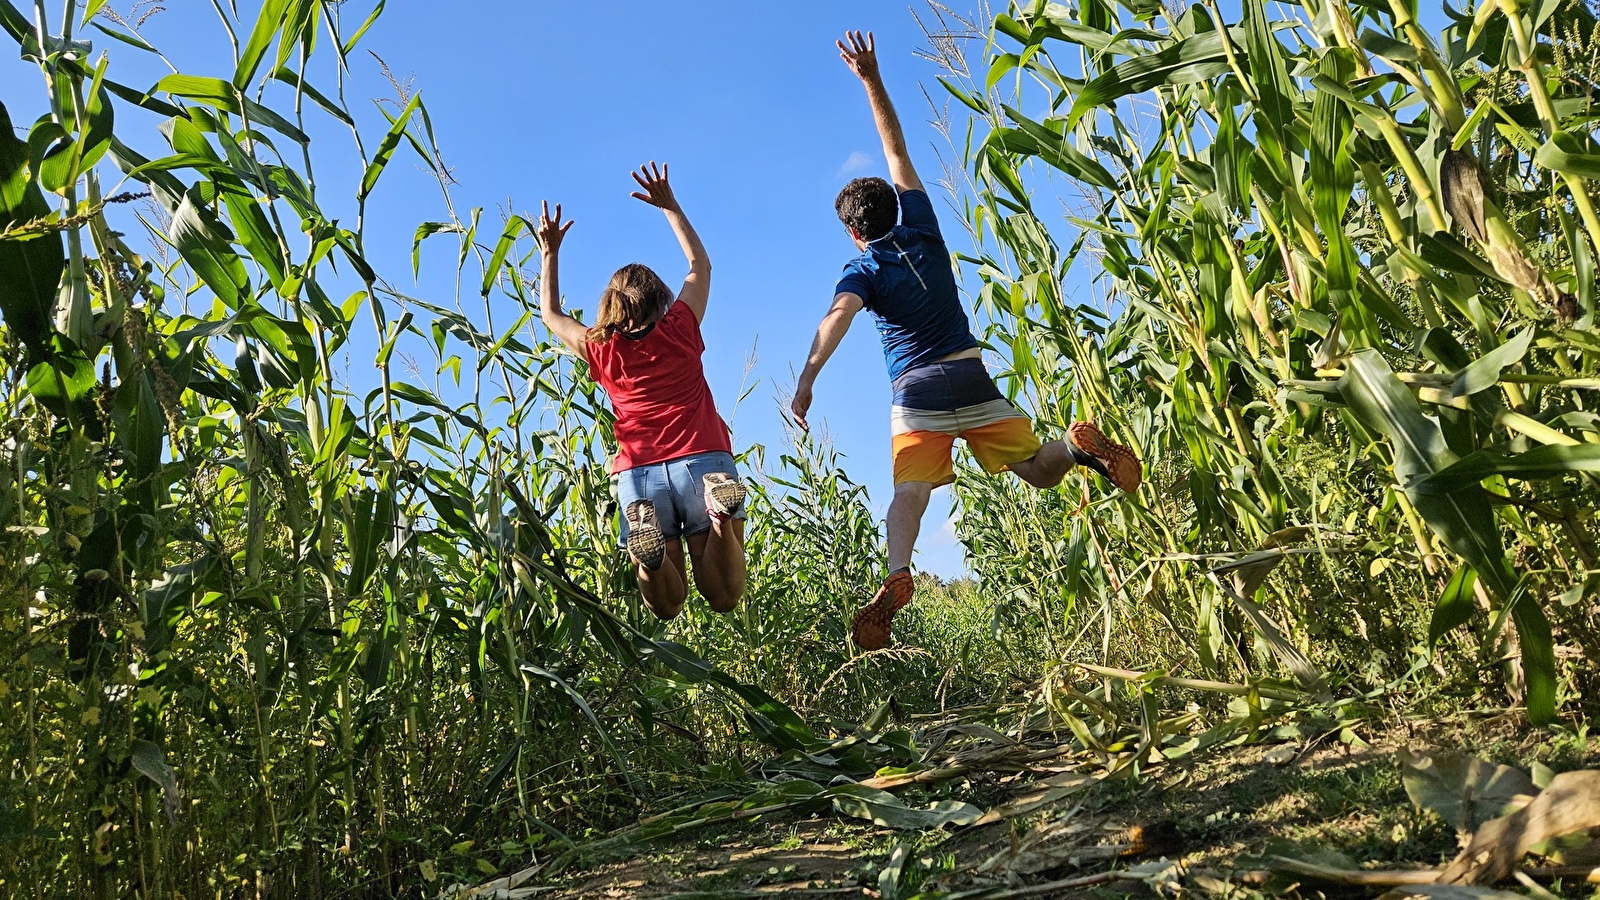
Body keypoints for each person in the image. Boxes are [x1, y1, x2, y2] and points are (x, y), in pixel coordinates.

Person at [791, 32, 1143, 651]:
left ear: (853, 233)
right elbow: (895, 147)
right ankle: (1077, 447)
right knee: (1038, 470)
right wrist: (872, 80)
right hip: (969, 374)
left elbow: (838, 317)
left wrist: (807, 378)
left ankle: (898, 572)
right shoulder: (923, 227)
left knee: (910, 491)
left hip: (917, 391)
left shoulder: (863, 271)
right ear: (895, 211)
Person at [538, 163, 747, 621]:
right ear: (660, 299)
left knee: (667, 606)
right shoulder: (681, 328)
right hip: (704, 460)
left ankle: (648, 552)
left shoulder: (601, 350)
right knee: (724, 596)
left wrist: (550, 252)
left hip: (639, 475)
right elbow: (700, 265)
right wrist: (669, 205)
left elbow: (550, 314)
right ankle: (719, 519)